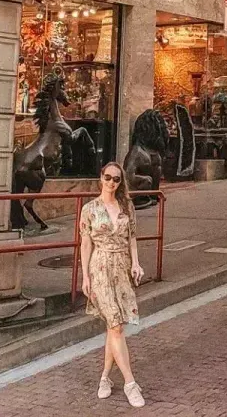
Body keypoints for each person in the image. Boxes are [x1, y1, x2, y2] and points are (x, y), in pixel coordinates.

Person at [81, 163, 146, 408]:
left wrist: (136, 264)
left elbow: (132, 238)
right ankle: (130, 383)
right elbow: (85, 244)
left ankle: (105, 378)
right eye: (108, 178)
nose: (111, 183)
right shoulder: (89, 209)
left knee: (113, 327)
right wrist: (85, 276)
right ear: (100, 178)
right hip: (100, 268)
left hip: (121, 267)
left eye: (116, 179)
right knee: (116, 325)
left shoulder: (127, 207)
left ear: (121, 182)